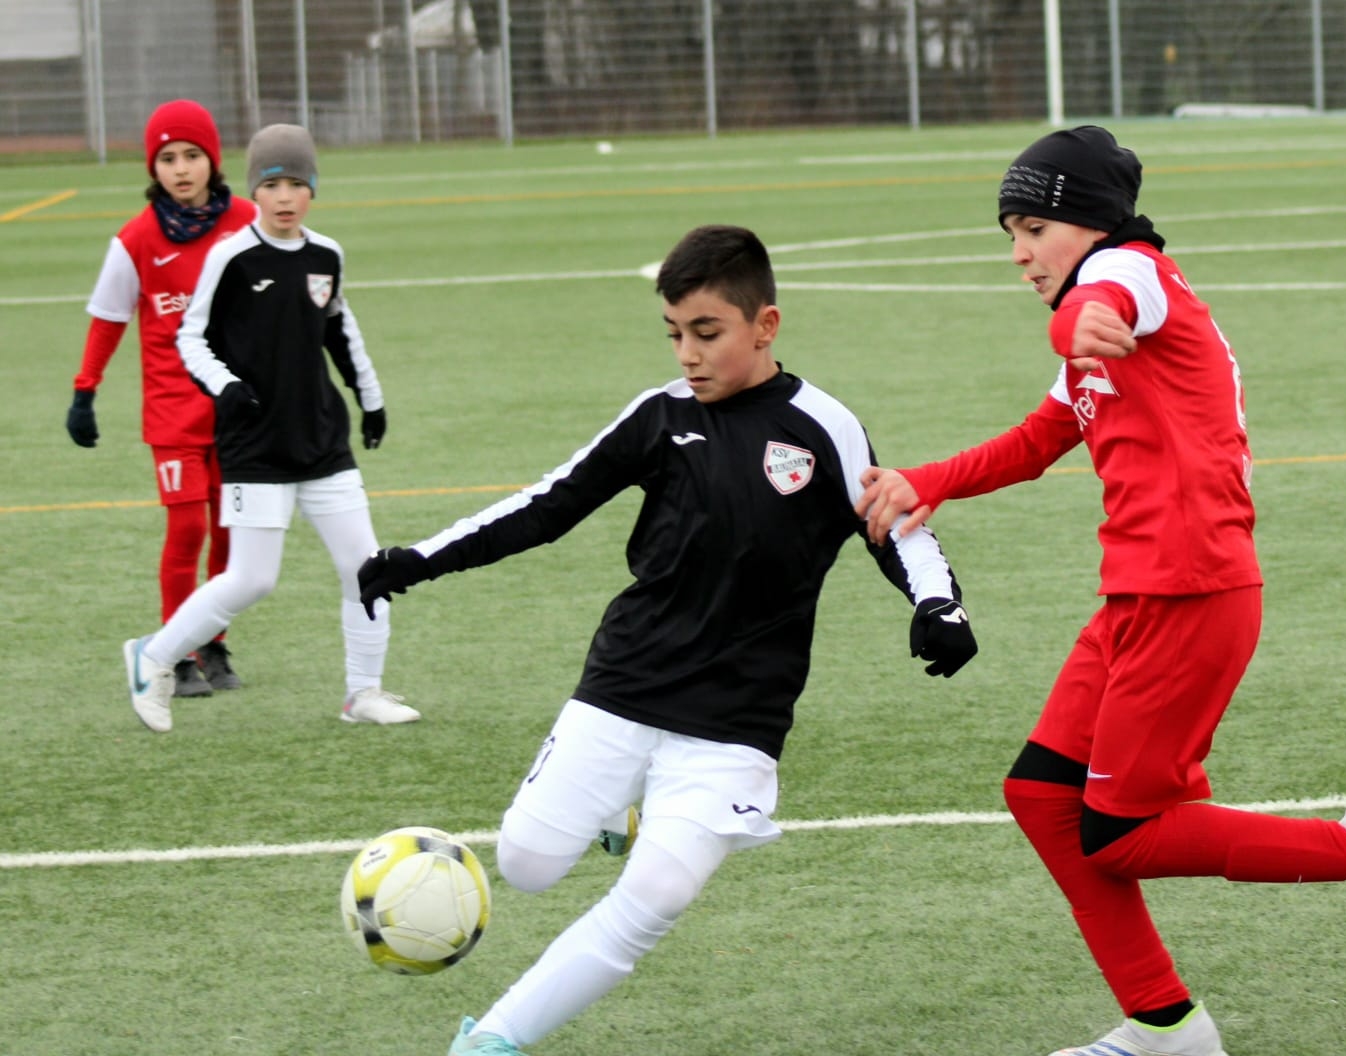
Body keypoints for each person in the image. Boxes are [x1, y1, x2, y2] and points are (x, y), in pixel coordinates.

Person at [854, 126, 1346, 1056]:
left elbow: (1101, 296)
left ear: (1089, 223)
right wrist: (929, 479)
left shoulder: (1131, 275)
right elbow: (1040, 437)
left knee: (1121, 834)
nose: (1020, 253)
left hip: (1192, 592)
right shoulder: (1103, 316)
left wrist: (1074, 320)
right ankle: (1166, 1026)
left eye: (1034, 228)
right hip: (1140, 596)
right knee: (1040, 795)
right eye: (1010, 235)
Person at [355, 224, 979, 1056]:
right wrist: (420, 559)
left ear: (766, 325)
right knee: (526, 864)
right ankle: (621, 809)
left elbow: (897, 526)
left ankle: (494, 1040)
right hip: (628, 679)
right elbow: (548, 504)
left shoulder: (822, 425)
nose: (688, 353)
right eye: (675, 333)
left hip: (738, 718)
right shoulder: (661, 414)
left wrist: (939, 605)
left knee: (655, 896)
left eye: (707, 332)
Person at [122, 123, 417, 733]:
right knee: (252, 579)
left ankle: (363, 693)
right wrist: (226, 386)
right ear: (254, 189)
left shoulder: (326, 255)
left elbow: (340, 330)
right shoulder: (231, 256)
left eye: (297, 184)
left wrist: (371, 400)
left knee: (366, 568)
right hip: (255, 444)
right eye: (272, 184)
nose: (285, 197)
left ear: (313, 189)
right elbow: (190, 337)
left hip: (322, 440)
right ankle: (153, 657)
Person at [70, 99, 255, 697]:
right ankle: (173, 655)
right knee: (187, 530)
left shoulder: (247, 222)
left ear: (212, 160)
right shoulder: (137, 239)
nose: (181, 169)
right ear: (154, 167)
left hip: (236, 409)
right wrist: (84, 391)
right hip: (173, 412)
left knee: (230, 531)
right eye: (168, 158)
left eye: (192, 155)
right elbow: (108, 318)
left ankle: (213, 643)